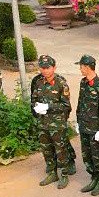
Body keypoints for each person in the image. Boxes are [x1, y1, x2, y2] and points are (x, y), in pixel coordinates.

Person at [31, 55, 75, 189]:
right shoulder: (38, 82)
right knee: (47, 149)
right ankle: (52, 172)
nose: (45, 71)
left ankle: (64, 175)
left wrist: (49, 107)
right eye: (42, 68)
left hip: (57, 124)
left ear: (54, 68)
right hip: (43, 123)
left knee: (60, 150)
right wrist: (36, 108)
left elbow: (66, 106)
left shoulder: (61, 83)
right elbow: (33, 100)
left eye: (48, 68)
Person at [75, 54, 99, 196]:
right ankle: (93, 178)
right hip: (84, 126)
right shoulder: (83, 83)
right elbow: (80, 103)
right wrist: (78, 121)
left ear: (88, 67)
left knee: (97, 155)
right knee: (87, 155)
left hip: (96, 129)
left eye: (82, 67)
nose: (80, 69)